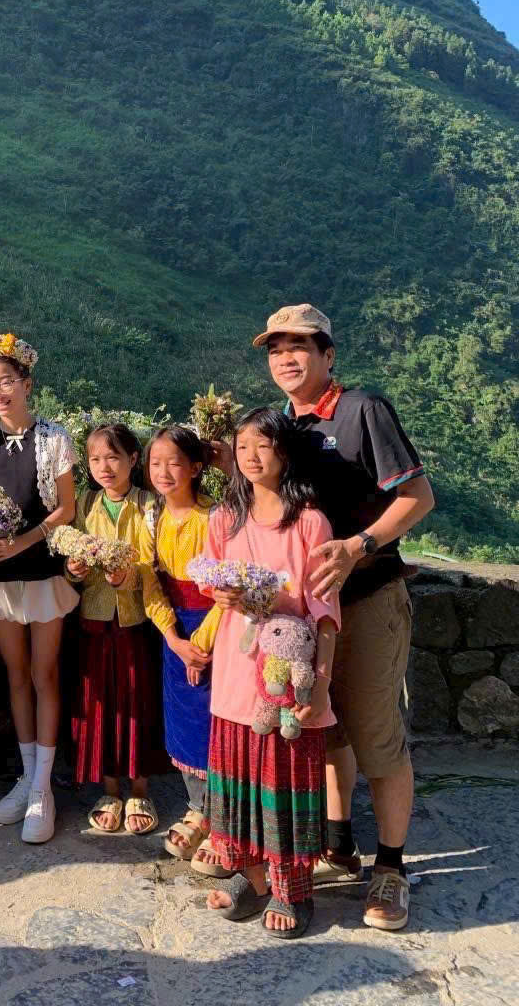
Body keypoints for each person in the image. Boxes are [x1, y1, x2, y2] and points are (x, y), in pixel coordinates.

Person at [252, 303, 435, 932]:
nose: (286, 358)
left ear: (328, 355)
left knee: (376, 734)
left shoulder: (362, 410)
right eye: (276, 349)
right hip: (306, 610)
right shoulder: (282, 426)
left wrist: (360, 545)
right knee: (326, 727)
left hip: (368, 598)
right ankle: (338, 844)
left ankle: (391, 868)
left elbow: (418, 497)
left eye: (299, 346)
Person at [202, 408, 340, 938]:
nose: (251, 457)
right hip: (236, 671)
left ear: (284, 451)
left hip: (290, 678)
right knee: (239, 775)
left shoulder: (310, 523)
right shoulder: (224, 518)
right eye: (242, 447)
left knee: (285, 778)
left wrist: (320, 684)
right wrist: (223, 593)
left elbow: (324, 612)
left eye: (262, 445)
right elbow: (209, 579)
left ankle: (293, 887)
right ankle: (254, 875)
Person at [0, 333, 78, 845]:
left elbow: (66, 508)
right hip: (1, 576)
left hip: (43, 570)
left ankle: (42, 788)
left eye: (6, 382)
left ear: (26, 384)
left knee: (43, 674)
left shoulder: (54, 438)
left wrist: (23, 542)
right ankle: (28, 778)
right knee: (15, 676)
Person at [67, 423, 164, 836]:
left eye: (113, 457)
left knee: (138, 701)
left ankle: (140, 789)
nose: (104, 467)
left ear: (133, 459)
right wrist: (73, 569)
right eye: (95, 459)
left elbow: (156, 561)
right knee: (101, 705)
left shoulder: (148, 504)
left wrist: (129, 576)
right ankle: (109, 790)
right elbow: (71, 554)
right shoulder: (85, 503)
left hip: (135, 620)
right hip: (93, 619)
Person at [141, 425, 219, 868]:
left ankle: (224, 819)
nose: (163, 472)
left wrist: (199, 646)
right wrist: (174, 639)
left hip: (213, 628)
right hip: (173, 629)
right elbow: (150, 581)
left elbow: (226, 588)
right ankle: (198, 810)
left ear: (196, 467)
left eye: (174, 463)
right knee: (184, 722)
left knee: (215, 722)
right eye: (156, 463)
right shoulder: (153, 517)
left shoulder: (215, 519)